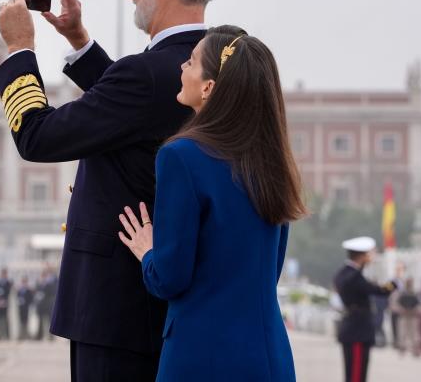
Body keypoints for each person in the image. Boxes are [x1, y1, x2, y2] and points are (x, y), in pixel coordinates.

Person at [0, 0, 231, 381]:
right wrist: (79, 41)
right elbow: (138, 108)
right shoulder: (217, 62)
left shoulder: (145, 76)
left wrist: (19, 50)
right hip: (164, 306)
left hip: (115, 312)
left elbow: (37, 137)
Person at [117, 28, 307, 380]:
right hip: (268, 358)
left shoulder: (182, 156)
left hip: (200, 357)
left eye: (190, 62)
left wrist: (147, 251)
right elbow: (269, 270)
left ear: (208, 87)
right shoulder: (271, 161)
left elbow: (170, 278)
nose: (181, 68)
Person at [333, 237, 397, 382]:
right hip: (357, 331)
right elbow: (380, 290)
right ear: (362, 256)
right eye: (370, 254)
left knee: (355, 374)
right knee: (356, 376)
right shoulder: (354, 276)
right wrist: (395, 282)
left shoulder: (345, 273)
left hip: (355, 329)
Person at [394, 278, 421, 355]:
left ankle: (415, 349)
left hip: (412, 316)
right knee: (402, 333)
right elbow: (398, 304)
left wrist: (414, 310)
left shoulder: (414, 293)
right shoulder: (402, 293)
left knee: (414, 333)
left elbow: (418, 304)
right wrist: (402, 309)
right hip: (404, 316)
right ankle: (402, 348)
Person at [0, 268, 13, 341]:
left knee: (5, 320)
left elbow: (9, 293)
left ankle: (5, 335)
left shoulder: (8, 283)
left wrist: (4, 301)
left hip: (5, 304)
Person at [16, 276, 34, 340]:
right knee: (21, 322)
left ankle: (26, 335)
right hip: (20, 308)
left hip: (26, 308)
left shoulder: (29, 290)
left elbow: (31, 299)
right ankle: (21, 335)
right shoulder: (19, 290)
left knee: (26, 322)